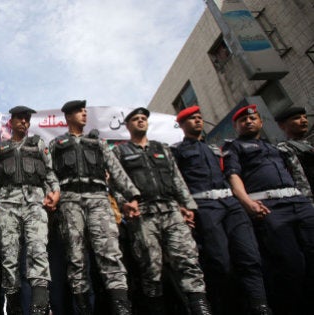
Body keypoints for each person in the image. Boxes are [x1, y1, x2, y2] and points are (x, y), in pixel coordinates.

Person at [171, 106, 271, 314]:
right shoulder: (177, 151)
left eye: (200, 117)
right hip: (205, 208)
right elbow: (174, 182)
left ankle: (259, 305)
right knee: (220, 261)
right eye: (192, 119)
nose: (198, 121)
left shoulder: (217, 150)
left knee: (249, 256)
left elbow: (232, 175)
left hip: (232, 206)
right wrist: (181, 208)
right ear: (181, 125)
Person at [112, 107, 211, 315]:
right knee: (151, 267)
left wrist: (187, 205)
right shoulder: (120, 152)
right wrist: (124, 203)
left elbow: (177, 178)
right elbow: (115, 182)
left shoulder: (162, 148)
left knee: (187, 260)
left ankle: (200, 308)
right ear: (127, 125)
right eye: (136, 119)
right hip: (143, 214)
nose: (141, 122)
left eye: (143, 119)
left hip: (171, 210)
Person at [50, 100, 139, 315]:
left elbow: (115, 169)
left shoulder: (97, 142)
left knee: (110, 253)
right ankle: (83, 308)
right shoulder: (57, 144)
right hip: (70, 202)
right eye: (79, 111)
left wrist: (132, 196)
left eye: (84, 111)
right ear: (68, 116)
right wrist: (53, 193)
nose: (84, 114)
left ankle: (121, 307)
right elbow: (49, 173)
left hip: (98, 198)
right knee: (76, 258)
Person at [223, 104, 314, 314]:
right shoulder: (234, 147)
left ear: (261, 122)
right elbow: (233, 175)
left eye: (253, 118)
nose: (248, 121)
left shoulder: (276, 148)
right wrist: (247, 203)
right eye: (243, 120)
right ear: (236, 126)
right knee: (291, 263)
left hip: (299, 203)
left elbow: (296, 174)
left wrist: (306, 199)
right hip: (269, 208)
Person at [0, 105, 60, 314]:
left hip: (35, 203)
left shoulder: (38, 143)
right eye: (20, 118)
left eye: (27, 119)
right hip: (7, 205)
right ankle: (13, 307)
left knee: (38, 251)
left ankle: (40, 306)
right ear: (11, 122)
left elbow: (50, 173)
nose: (24, 122)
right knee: (9, 257)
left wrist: (55, 192)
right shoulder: (1, 149)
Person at [274, 106, 314, 191]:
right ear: (282, 125)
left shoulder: (308, 143)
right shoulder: (284, 148)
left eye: (305, 117)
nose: (304, 120)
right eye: (296, 118)